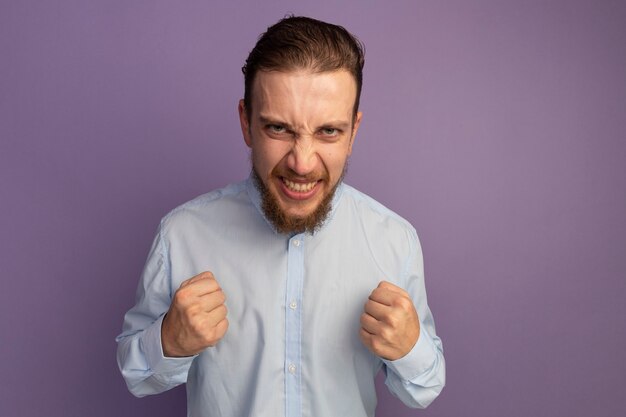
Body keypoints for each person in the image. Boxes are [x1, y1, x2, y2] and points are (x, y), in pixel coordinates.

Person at [116, 15, 445, 417]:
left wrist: (410, 347)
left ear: (354, 132)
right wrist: (170, 340)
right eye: (278, 128)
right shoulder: (182, 234)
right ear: (246, 123)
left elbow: (424, 389)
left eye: (328, 132)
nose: (302, 163)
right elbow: (136, 376)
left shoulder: (395, 241)